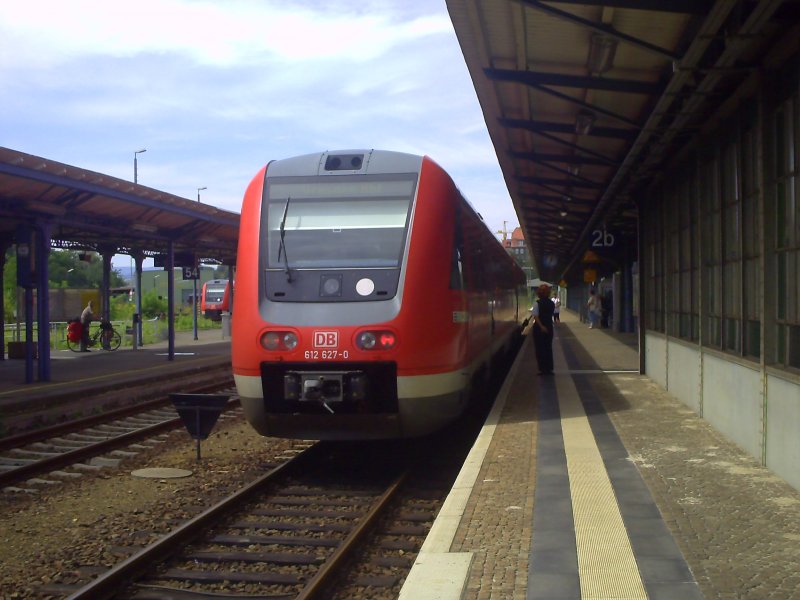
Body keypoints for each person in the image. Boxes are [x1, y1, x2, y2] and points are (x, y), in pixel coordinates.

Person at [531, 283, 555, 375]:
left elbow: (536, 317)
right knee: (548, 348)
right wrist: (546, 326)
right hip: (549, 327)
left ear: (539, 293)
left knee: (540, 349)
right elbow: (550, 314)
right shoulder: (551, 303)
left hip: (539, 328)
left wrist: (541, 326)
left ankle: (543, 369)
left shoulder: (537, 303)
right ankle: (549, 368)